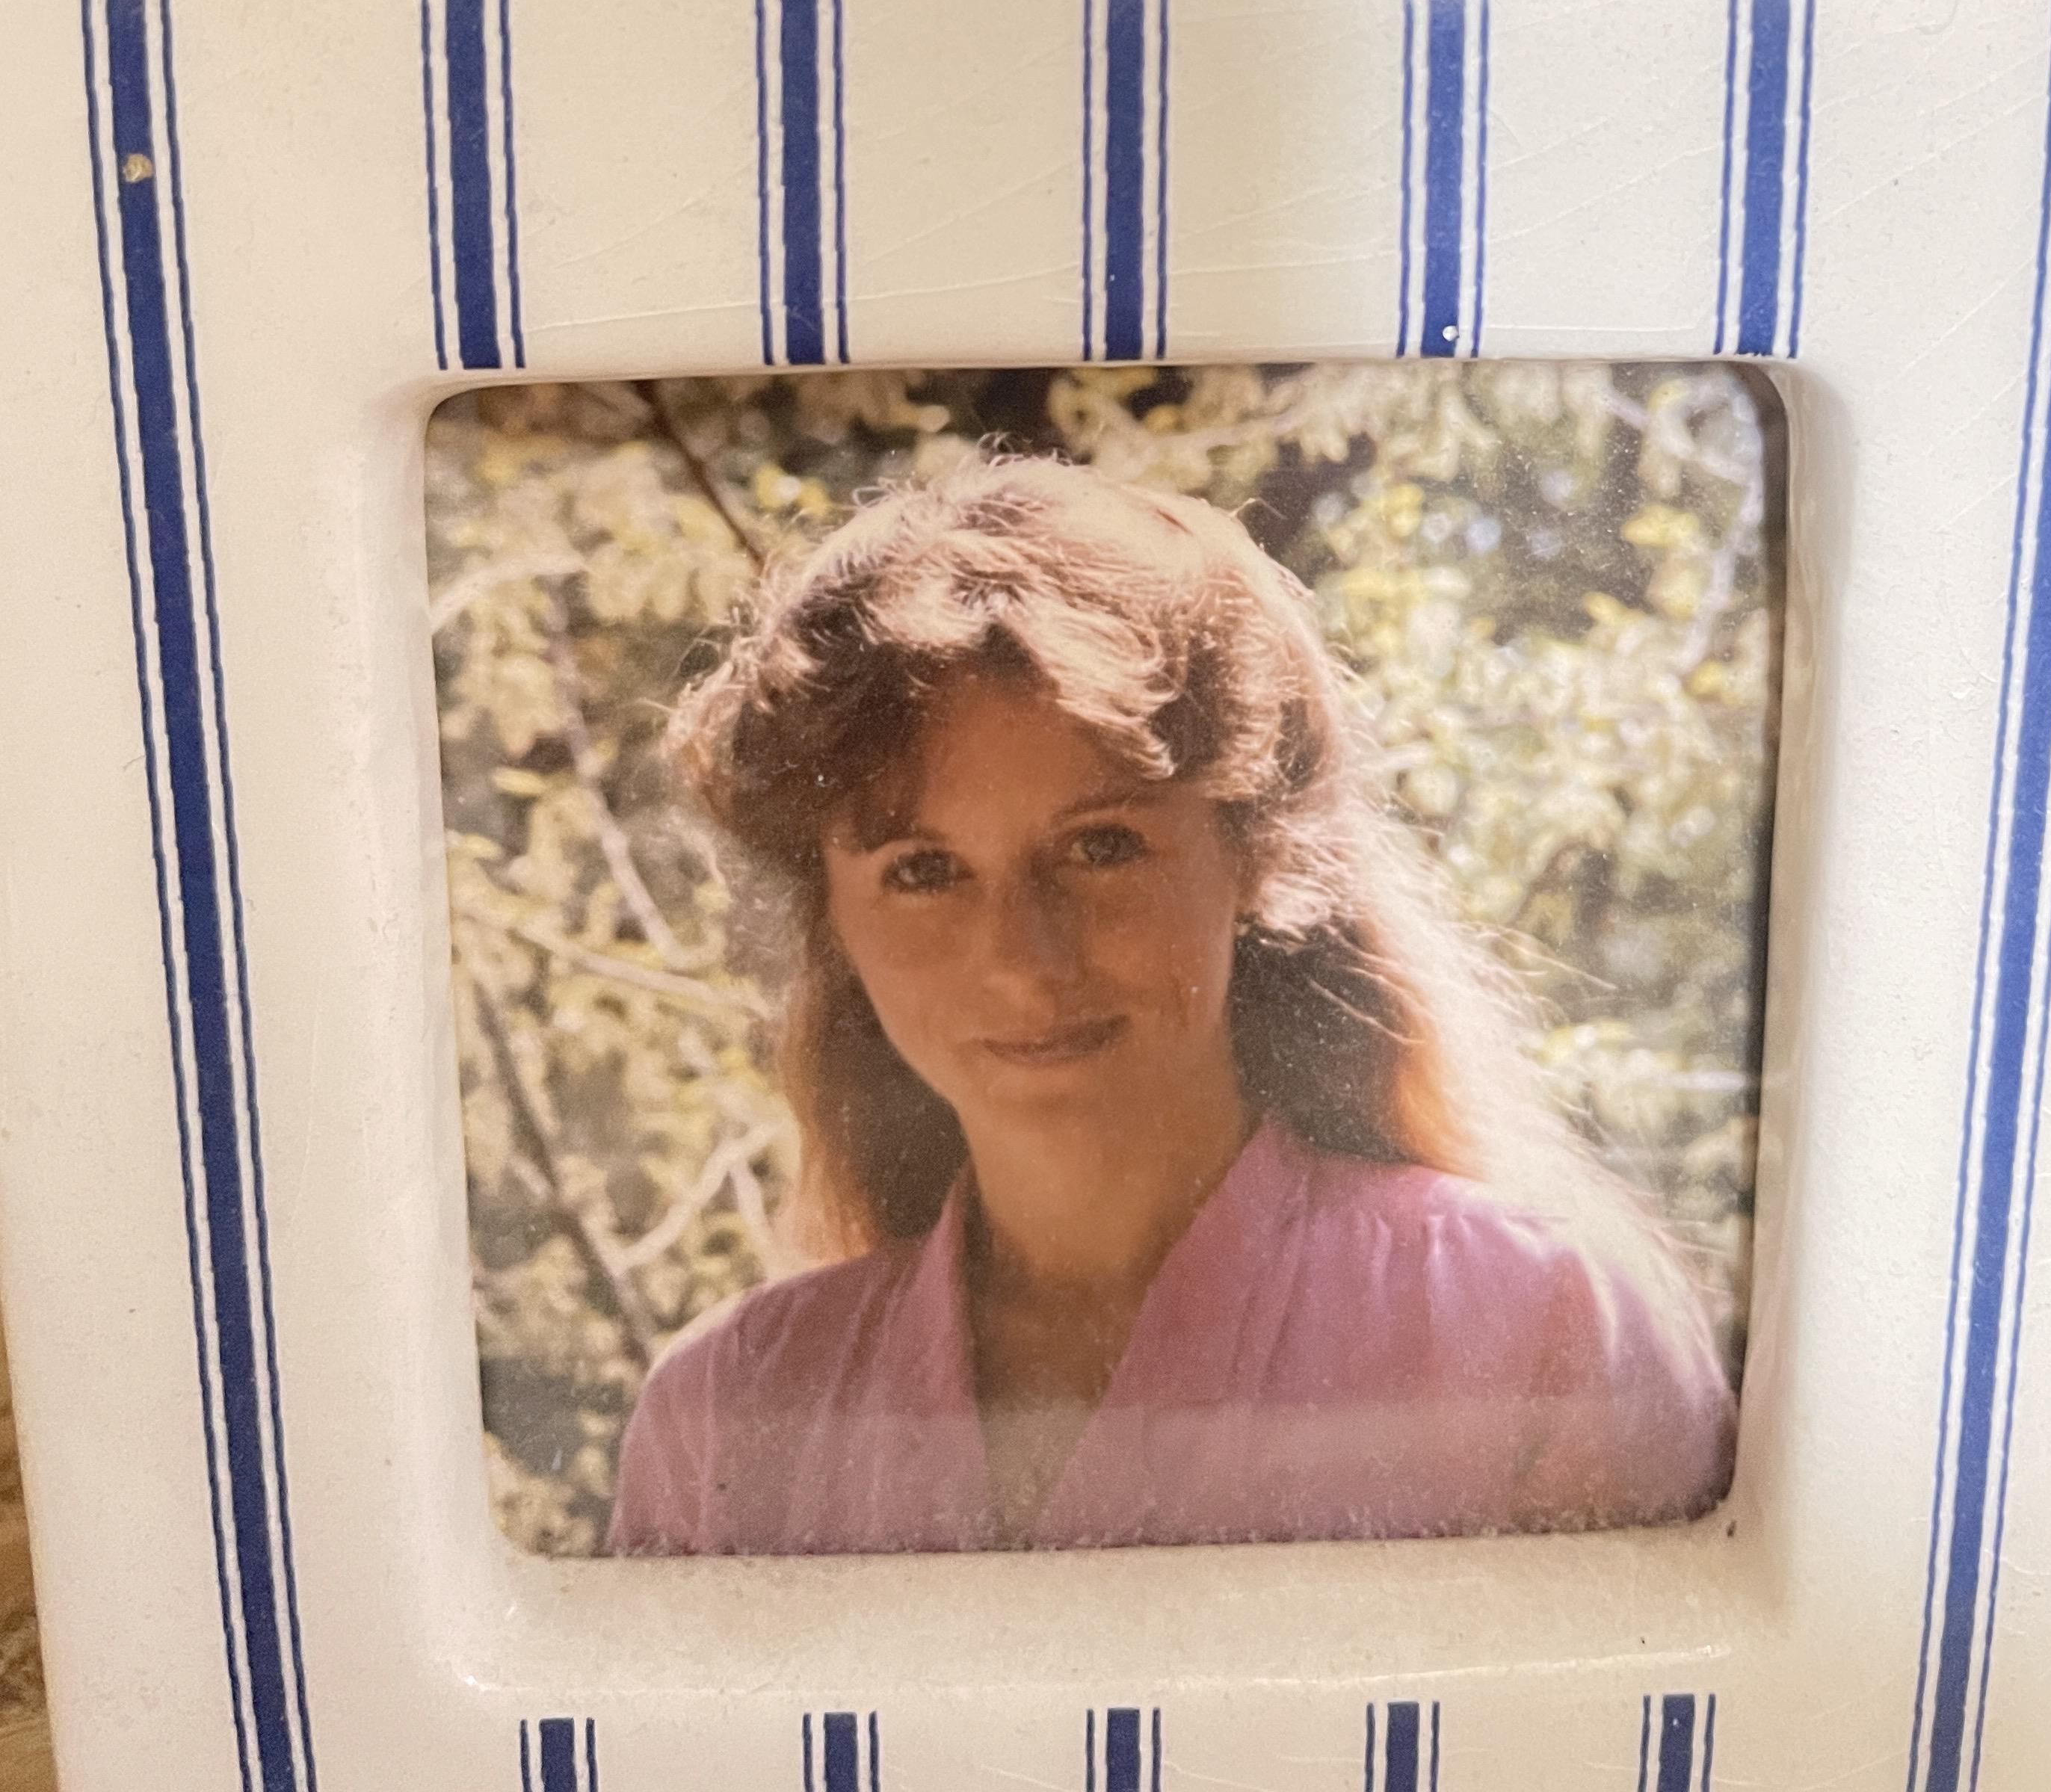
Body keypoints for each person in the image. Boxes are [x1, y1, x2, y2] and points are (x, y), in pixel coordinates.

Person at [607, 455, 1735, 1557]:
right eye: (925, 871)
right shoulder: (727, 1415)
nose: (1024, 960)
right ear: (835, 927)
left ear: (1251, 855)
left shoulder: (1537, 1321)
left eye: (1102, 847)